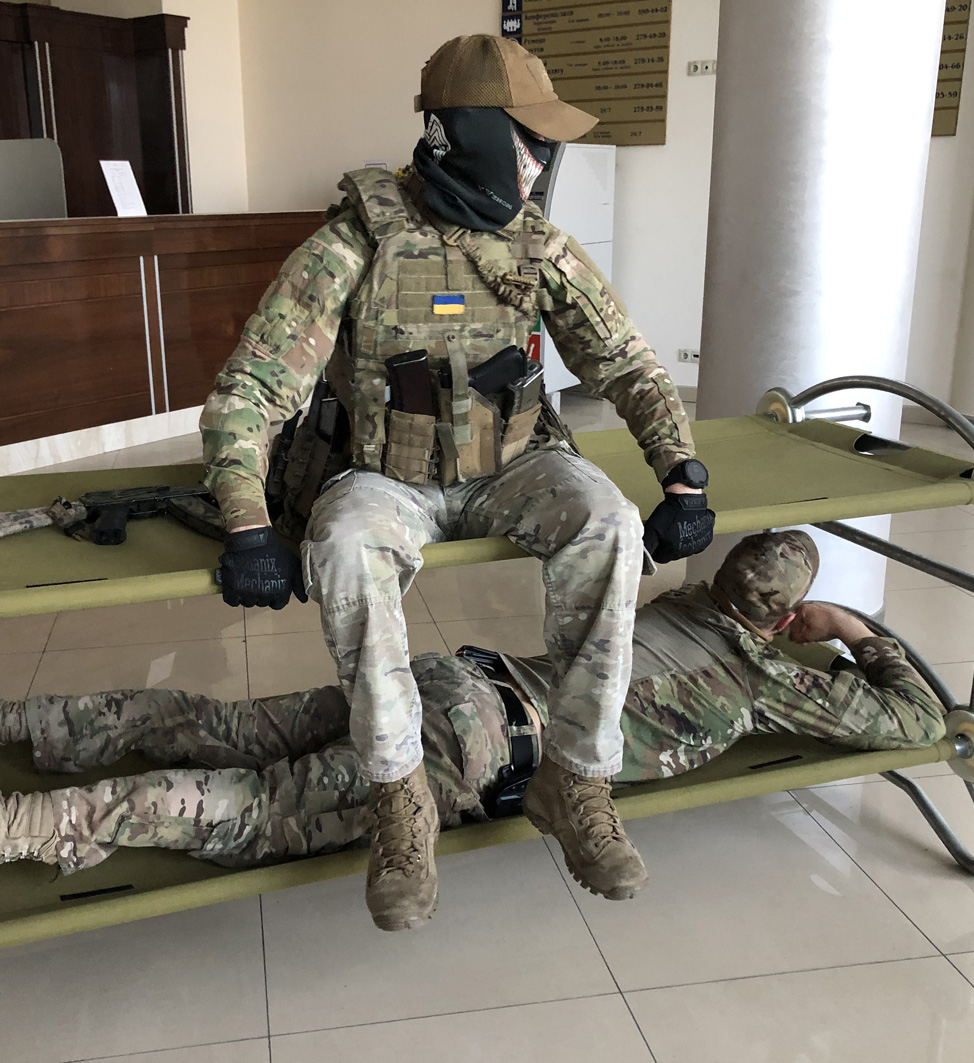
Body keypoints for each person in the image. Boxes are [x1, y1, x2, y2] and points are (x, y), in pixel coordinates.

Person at [199, 32, 713, 930]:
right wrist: (246, 522)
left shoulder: (537, 247)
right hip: (384, 476)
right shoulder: (354, 242)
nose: (542, 159)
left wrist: (678, 472)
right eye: (529, 137)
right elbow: (254, 385)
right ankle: (401, 798)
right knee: (343, 545)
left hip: (513, 465)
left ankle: (575, 779)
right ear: (466, 134)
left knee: (609, 521)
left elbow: (626, 362)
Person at [0, 532, 945, 950]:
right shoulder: (760, 678)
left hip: (446, 677)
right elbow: (917, 719)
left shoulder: (672, 602)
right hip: (478, 748)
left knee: (231, 726)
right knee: (254, 811)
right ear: (786, 622)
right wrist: (857, 634)